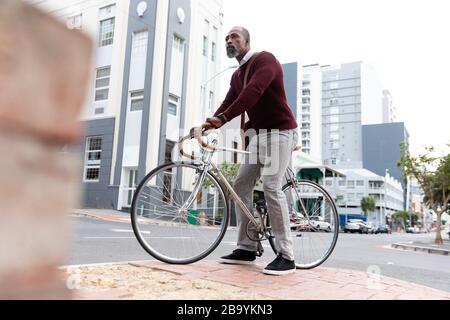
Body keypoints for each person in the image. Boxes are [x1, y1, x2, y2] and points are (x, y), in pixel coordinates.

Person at [200, 26, 298, 276]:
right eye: (226, 38)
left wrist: (222, 119)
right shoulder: (236, 75)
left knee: (271, 187)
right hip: (258, 135)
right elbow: (230, 101)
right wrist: (210, 121)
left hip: (280, 132)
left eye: (234, 36)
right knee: (241, 185)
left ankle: (287, 255)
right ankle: (246, 248)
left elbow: (253, 93)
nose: (229, 40)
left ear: (247, 41)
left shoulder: (265, 60)